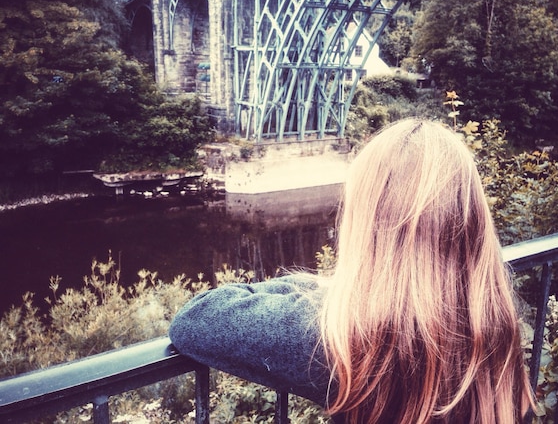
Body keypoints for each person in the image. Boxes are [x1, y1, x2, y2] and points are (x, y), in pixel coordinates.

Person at [169, 119, 535, 423]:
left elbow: (196, 318)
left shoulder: (343, 340)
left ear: (367, 224)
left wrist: (332, 288)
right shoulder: (494, 324)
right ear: (471, 222)